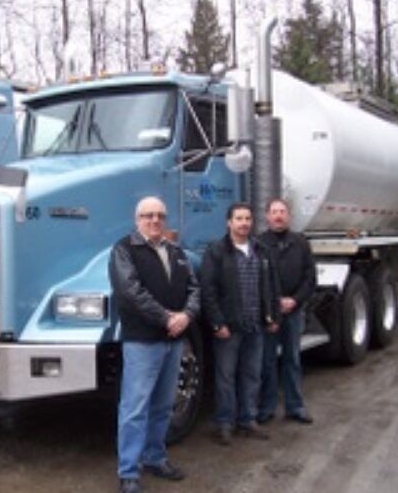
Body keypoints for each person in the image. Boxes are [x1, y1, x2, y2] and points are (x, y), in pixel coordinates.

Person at [109, 196, 200, 493]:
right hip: (143, 342)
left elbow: (194, 289)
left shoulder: (177, 252)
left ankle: (156, 458)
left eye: (160, 215)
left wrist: (186, 316)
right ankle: (129, 472)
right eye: (148, 215)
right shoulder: (124, 250)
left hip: (174, 341)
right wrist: (166, 318)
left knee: (163, 405)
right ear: (137, 220)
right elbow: (131, 292)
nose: (155, 220)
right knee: (135, 408)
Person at [201, 202, 278, 445]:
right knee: (225, 376)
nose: (244, 223)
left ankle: (248, 420)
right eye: (239, 219)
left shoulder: (261, 250)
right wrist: (217, 322)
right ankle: (225, 423)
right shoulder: (216, 251)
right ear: (229, 222)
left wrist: (273, 316)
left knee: (252, 374)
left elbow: (273, 287)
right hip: (228, 328)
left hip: (255, 325)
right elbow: (208, 290)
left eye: (247, 218)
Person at [258, 198, 316, 424]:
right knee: (267, 361)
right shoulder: (259, 244)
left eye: (282, 211)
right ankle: (267, 407)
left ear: (288, 216)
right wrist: (272, 303)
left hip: (293, 311)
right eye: (274, 212)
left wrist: (295, 300)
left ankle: (295, 406)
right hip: (269, 313)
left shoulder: (300, 242)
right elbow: (258, 280)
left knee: (292, 359)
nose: (278, 216)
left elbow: (310, 277)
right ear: (267, 216)